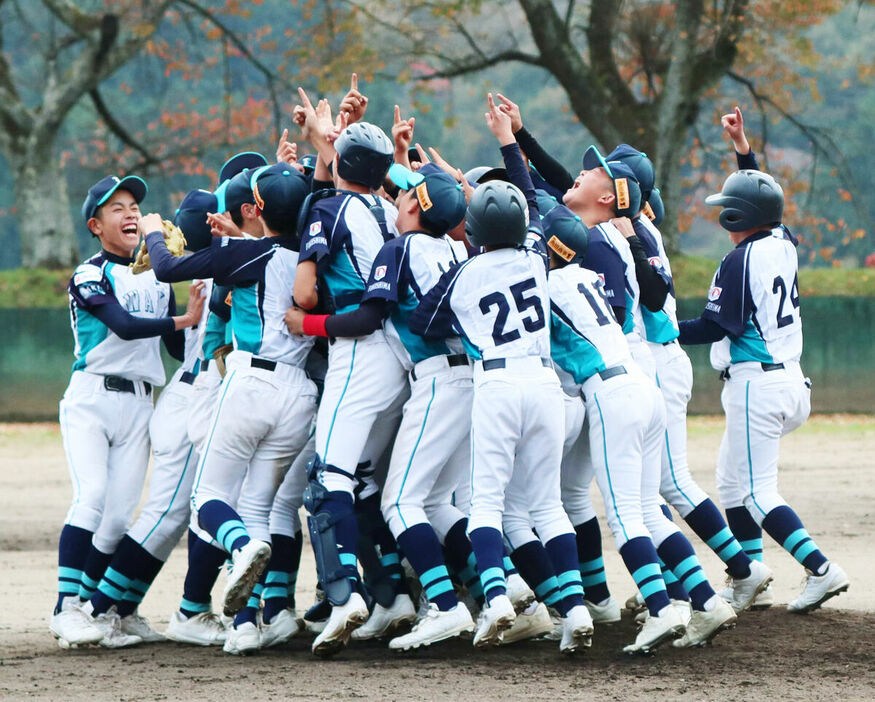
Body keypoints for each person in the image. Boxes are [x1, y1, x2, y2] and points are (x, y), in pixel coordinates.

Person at [408, 97, 594, 654]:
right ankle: (577, 609)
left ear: (474, 230)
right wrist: (507, 139)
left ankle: (495, 601)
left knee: (485, 503)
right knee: (549, 506)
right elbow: (532, 203)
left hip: (495, 384)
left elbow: (422, 322)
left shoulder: (463, 274)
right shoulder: (537, 254)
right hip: (544, 385)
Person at [541, 204, 737, 652]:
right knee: (648, 508)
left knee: (624, 514)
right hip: (644, 386)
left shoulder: (546, 284)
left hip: (612, 393)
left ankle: (662, 608)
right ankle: (706, 602)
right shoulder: (588, 279)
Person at [144, 163, 318, 654]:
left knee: (209, 499)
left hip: (252, 384)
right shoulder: (311, 252)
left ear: (256, 208)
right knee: (258, 505)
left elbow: (166, 268)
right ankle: (246, 626)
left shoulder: (246, 254)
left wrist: (156, 232)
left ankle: (240, 549)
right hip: (300, 394)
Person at [678, 144, 849, 614]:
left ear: (738, 216)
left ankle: (821, 569)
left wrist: (663, 330)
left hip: (757, 385)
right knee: (732, 486)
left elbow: (712, 326)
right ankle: (751, 579)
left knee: (755, 492)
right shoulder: (784, 243)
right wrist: (744, 154)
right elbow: (764, 202)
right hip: (786, 379)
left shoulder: (739, 261)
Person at [51, 175, 203, 648]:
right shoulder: (89, 273)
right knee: (91, 497)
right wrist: (184, 318)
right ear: (96, 225)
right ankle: (66, 609)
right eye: (116, 208)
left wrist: (205, 304)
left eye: (134, 204)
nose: (131, 212)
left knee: (118, 517)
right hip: (92, 400)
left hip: (140, 403)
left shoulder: (158, 275)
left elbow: (177, 344)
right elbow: (124, 325)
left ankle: (102, 614)